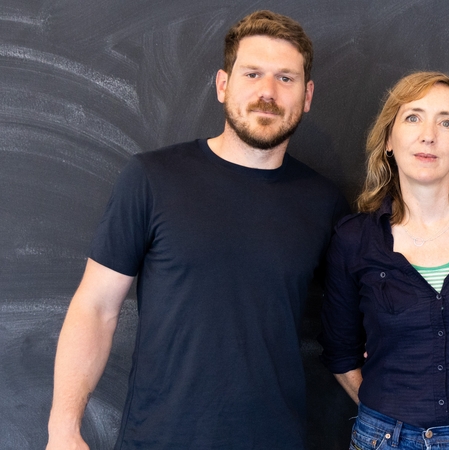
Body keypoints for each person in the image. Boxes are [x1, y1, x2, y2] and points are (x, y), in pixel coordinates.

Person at [46, 10, 349, 449]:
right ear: (223, 85)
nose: (268, 92)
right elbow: (95, 307)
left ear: (307, 95)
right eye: (252, 73)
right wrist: (63, 429)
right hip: (159, 438)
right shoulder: (152, 178)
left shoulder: (324, 203)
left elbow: (353, 321)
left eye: (286, 78)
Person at [319, 71, 449, 450]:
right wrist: (388, 415)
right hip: (383, 438)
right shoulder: (353, 238)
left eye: (446, 122)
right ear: (388, 139)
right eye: (413, 117)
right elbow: (341, 351)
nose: (428, 134)